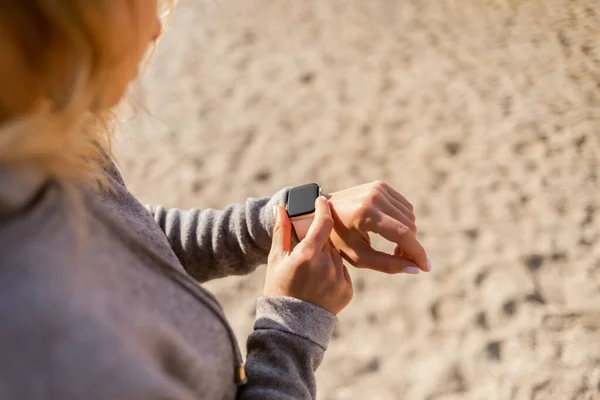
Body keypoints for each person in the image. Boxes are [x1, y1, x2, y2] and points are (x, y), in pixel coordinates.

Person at [0, 1, 431, 399]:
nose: (155, 27)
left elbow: (128, 235)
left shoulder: (44, 140)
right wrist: (293, 325)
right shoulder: (41, 346)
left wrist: (281, 218)